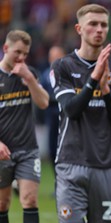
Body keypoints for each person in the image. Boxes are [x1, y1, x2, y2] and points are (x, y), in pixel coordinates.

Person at [50, 4, 111, 222]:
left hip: (106, 166)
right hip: (70, 163)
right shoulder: (62, 66)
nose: (99, 29)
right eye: (92, 24)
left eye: (103, 25)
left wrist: (105, 91)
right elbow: (71, 110)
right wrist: (94, 79)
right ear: (79, 29)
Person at [0, 30, 49, 223]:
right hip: (3, 151)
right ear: (6, 49)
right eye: (17, 52)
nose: (21, 58)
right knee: (2, 203)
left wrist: (29, 79)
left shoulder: (28, 74)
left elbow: (44, 102)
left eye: (25, 54)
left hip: (28, 149)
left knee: (29, 199)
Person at [40, 46, 65, 170]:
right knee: (51, 149)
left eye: (58, 57)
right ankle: (56, 181)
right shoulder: (45, 75)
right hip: (51, 116)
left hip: (65, 116)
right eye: (53, 57)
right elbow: (41, 95)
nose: (55, 60)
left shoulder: (68, 74)